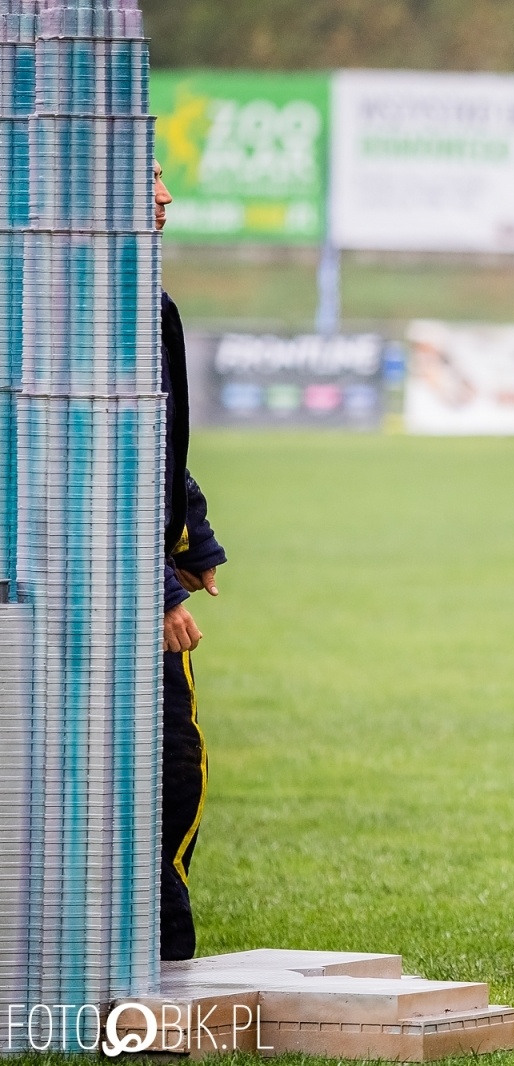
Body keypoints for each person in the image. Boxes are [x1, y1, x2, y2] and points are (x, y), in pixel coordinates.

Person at [154, 161, 229, 961]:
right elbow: (81, 472)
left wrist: (192, 533)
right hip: (87, 590)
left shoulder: (154, 305)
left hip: (139, 572)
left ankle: (162, 962)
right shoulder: (68, 309)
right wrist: (154, 591)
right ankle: (155, 967)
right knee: (166, 771)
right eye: (149, 178)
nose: (167, 197)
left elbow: (156, 453)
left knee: (177, 770)